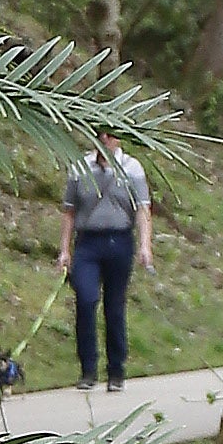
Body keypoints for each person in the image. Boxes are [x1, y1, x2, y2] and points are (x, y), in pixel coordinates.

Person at [62, 122, 152, 391]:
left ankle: (116, 371)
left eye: (110, 136)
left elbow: (143, 209)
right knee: (86, 300)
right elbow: (68, 211)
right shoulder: (80, 167)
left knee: (114, 305)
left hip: (119, 241)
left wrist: (145, 246)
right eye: (100, 135)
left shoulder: (132, 169)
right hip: (88, 243)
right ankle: (88, 369)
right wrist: (65, 250)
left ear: (118, 140)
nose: (105, 139)